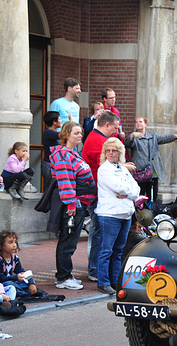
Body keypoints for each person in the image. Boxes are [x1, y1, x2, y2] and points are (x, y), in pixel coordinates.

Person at [50, 121, 96, 290]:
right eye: (76, 133)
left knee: (70, 241)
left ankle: (65, 275)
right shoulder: (63, 155)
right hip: (73, 205)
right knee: (67, 241)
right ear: (66, 134)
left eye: (81, 133)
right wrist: (71, 205)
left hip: (79, 203)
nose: (80, 136)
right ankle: (63, 277)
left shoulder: (72, 153)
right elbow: (65, 182)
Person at [82, 110, 126, 282]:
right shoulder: (97, 140)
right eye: (114, 128)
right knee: (99, 234)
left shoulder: (97, 139)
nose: (116, 131)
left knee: (101, 235)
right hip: (99, 195)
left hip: (102, 194)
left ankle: (101, 271)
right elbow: (105, 167)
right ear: (107, 125)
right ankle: (95, 270)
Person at [95, 138, 140, 295]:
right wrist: (129, 193)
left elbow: (136, 188)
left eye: (114, 150)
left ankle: (115, 281)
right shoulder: (104, 169)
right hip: (110, 214)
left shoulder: (123, 168)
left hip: (125, 214)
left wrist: (128, 194)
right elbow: (119, 188)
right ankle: (103, 282)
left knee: (119, 250)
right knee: (106, 250)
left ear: (120, 153)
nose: (111, 153)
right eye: (108, 150)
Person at [124, 115, 177, 200]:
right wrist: (132, 135)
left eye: (140, 122)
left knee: (152, 195)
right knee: (140, 195)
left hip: (152, 171)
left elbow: (163, 138)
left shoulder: (153, 136)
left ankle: (152, 211)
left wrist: (174, 136)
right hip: (140, 172)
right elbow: (127, 143)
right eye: (136, 122)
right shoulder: (134, 138)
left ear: (145, 124)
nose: (138, 124)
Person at [0, 230, 38, 297]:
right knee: (11, 285)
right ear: (1, 245)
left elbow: (21, 271)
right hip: (1, 283)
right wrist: (15, 277)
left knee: (27, 282)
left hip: (12, 281)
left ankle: (24, 291)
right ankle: (24, 294)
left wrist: (31, 283)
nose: (14, 245)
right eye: (10, 242)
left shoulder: (15, 258)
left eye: (15, 242)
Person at [42, 110, 61, 190]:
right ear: (54, 122)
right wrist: (70, 123)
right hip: (49, 165)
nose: (61, 121)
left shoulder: (55, 132)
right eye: (59, 119)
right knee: (49, 188)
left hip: (55, 164)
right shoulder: (48, 132)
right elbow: (64, 135)